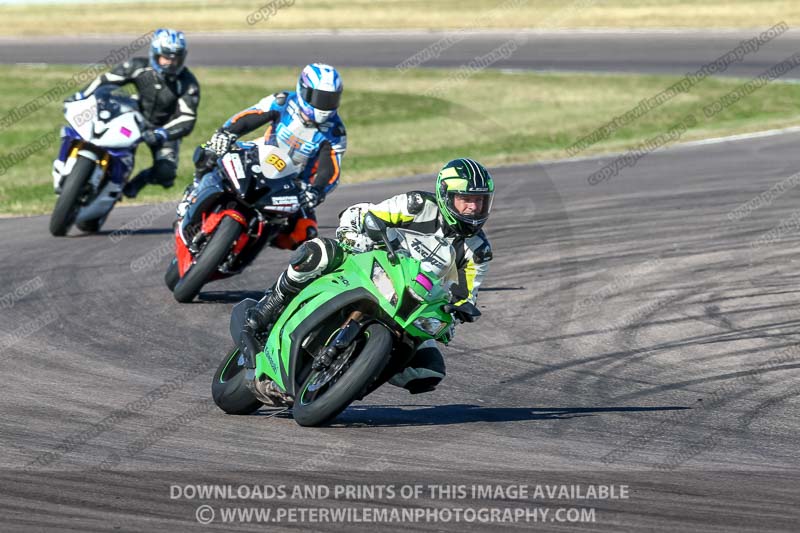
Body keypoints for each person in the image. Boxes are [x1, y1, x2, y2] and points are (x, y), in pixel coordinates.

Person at [243, 158, 494, 395]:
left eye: (480, 201)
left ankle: (348, 386)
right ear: (446, 196)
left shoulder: (478, 251)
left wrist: (454, 317)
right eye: (465, 199)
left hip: (411, 303)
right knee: (318, 252)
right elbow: (364, 214)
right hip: (372, 266)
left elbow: (466, 297)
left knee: (428, 371)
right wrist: (353, 236)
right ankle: (271, 304)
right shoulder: (417, 205)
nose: (473, 207)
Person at [180, 63, 346, 249]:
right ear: (304, 90)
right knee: (209, 151)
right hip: (259, 156)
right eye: (320, 98)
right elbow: (250, 116)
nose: (324, 105)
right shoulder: (284, 101)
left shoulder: (335, 131)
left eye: (330, 99)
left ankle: (253, 241)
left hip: (292, 184)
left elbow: (330, 169)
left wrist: (317, 191)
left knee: (304, 233)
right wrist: (227, 133)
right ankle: (194, 192)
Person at [70, 28, 200, 198]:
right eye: (166, 58)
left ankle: (138, 182)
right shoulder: (138, 66)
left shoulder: (188, 83)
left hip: (164, 129)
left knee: (166, 172)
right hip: (134, 118)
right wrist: (82, 95)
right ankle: (98, 176)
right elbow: (106, 80)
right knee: (104, 140)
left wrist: (162, 134)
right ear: (155, 54)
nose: (170, 63)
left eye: (176, 58)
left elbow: (188, 118)